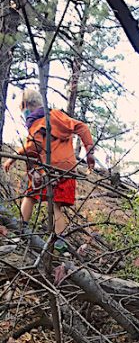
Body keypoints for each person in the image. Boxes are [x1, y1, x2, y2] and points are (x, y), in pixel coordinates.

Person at [2, 88, 95, 247]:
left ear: (26, 105)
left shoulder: (37, 121)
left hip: (49, 168)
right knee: (55, 205)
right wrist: (89, 152)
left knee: (30, 195)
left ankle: (22, 229)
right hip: (68, 168)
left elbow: (34, 146)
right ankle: (60, 243)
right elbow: (82, 128)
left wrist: (12, 158)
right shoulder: (59, 116)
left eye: (23, 110)